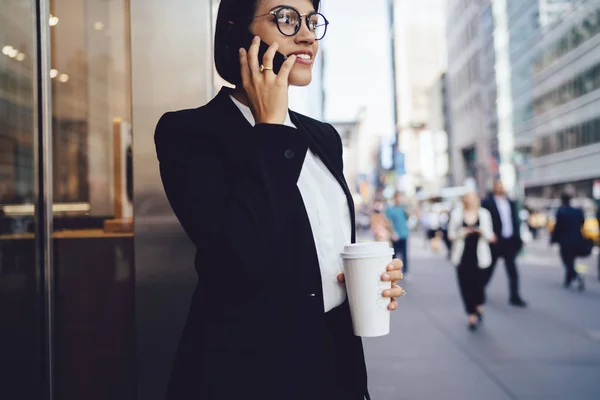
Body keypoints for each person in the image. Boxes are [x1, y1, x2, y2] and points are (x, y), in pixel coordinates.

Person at [153, 1, 406, 399]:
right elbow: (238, 255)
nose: (306, 35)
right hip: (248, 373)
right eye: (285, 19)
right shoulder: (189, 132)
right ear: (237, 29)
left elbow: (316, 252)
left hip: (334, 366)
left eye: (310, 21)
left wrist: (361, 282)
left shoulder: (323, 137)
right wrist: (269, 128)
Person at [449, 191, 496, 331]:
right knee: (465, 286)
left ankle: (478, 304)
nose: (470, 201)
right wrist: (463, 232)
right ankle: (471, 314)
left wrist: (482, 232)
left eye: (472, 198)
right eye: (467, 198)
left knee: (479, 285)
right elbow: (451, 234)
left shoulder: (484, 214)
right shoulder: (457, 213)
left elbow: (490, 235)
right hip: (462, 256)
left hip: (480, 256)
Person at [482, 180, 528, 307]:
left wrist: (519, 237)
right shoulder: (487, 203)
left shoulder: (510, 202)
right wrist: (490, 234)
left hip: (510, 240)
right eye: (497, 186)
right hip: (496, 241)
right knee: (489, 269)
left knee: (512, 270)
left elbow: (515, 220)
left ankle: (515, 296)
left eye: (501, 186)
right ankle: (479, 291)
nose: (499, 188)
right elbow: (484, 220)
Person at [551, 193, 585, 290]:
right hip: (577, 240)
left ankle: (576, 276)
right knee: (571, 261)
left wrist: (553, 240)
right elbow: (582, 223)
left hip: (565, 241)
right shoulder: (577, 211)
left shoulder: (561, 212)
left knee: (567, 261)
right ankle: (568, 280)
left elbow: (557, 227)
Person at [386, 192, 409, 274]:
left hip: (404, 234)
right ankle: (393, 271)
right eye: (398, 198)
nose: (399, 199)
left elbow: (408, 217)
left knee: (404, 254)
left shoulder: (403, 208)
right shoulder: (390, 209)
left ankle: (405, 271)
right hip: (395, 235)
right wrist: (393, 233)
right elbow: (388, 222)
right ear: (394, 198)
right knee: (394, 255)